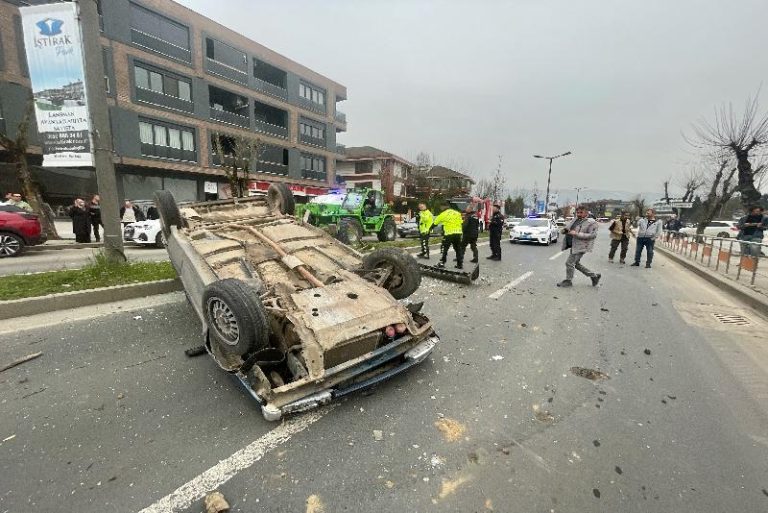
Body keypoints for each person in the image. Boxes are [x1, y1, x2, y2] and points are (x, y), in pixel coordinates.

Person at [558, 206, 600, 287]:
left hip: (581, 246)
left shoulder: (591, 222)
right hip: (573, 244)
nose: (579, 214)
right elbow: (569, 227)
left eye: (581, 212)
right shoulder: (575, 219)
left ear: (586, 213)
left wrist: (576, 234)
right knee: (576, 264)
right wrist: (564, 230)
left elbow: (592, 235)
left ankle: (568, 281)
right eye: (577, 212)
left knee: (569, 263)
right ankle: (594, 276)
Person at [433, 203, 464, 269]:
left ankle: (442, 263)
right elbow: (461, 222)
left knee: (445, 249)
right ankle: (460, 264)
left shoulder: (443, 214)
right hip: (458, 233)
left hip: (449, 234)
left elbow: (435, 223)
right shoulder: (457, 213)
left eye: (441, 207)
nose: (440, 208)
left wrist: (429, 229)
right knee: (458, 249)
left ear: (443, 207)